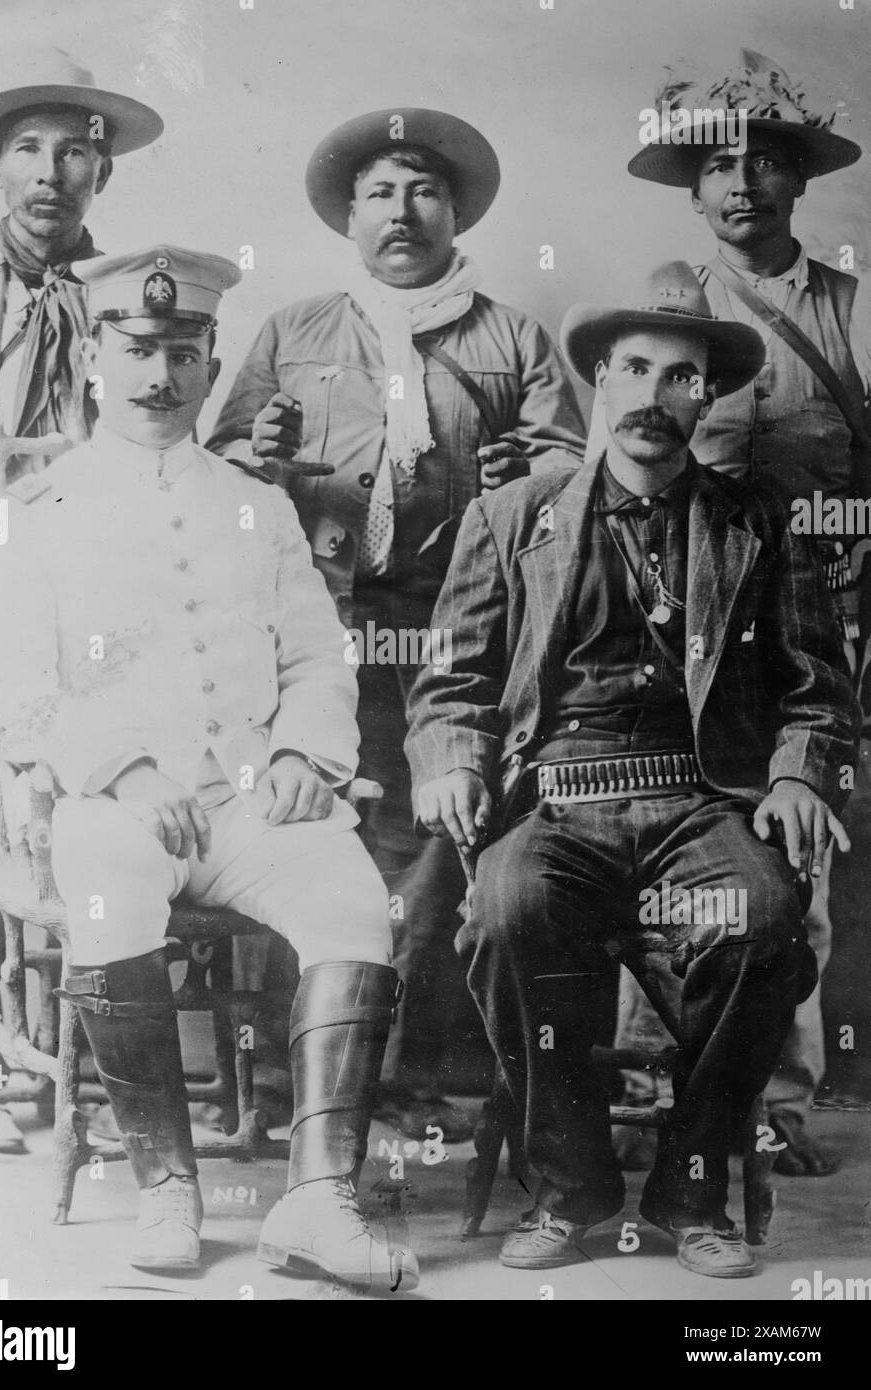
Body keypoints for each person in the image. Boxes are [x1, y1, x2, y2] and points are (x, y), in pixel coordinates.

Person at [0, 245, 419, 1294]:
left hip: (252, 793)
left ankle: (316, 1202)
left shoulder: (256, 503)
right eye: (136, 351)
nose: (159, 376)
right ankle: (166, 1180)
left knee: (355, 904)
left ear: (212, 364)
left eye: (181, 353)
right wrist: (117, 768)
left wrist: (306, 751)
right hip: (110, 804)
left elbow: (313, 653)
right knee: (112, 896)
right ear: (93, 362)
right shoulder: (37, 512)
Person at [405, 261, 860, 1277]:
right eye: (635, 370)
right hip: (554, 798)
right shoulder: (510, 518)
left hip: (701, 800)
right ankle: (571, 1189)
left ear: (709, 397)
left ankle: (688, 1186)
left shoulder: (756, 520)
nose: (655, 399)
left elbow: (815, 684)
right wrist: (447, 760)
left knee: (759, 918)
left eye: (682, 379)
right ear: (596, 381)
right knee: (506, 910)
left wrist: (795, 773)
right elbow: (448, 681)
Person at [206, 107, 586, 1133]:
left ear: (454, 208)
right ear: (348, 215)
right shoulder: (292, 331)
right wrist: (262, 452)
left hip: (453, 634)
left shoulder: (510, 336)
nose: (402, 210)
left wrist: (526, 476)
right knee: (307, 833)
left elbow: (575, 481)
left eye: (422, 189)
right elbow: (224, 477)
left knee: (431, 847)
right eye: (379, 191)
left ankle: (408, 1077)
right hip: (317, 632)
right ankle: (296, 1086)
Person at [626, 51, 871, 1174]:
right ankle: (647, 1071)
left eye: (764, 163)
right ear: (691, 188)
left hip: (823, 601)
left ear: (796, 185)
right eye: (718, 165)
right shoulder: (676, 304)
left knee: (794, 839)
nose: (741, 186)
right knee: (668, 828)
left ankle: (772, 1092)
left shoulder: (852, 307)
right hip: (691, 612)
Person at [0, 46, 163, 1153]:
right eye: (28, 149)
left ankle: (67, 1064)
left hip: (82, 599)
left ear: (100, 174)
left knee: (65, 818)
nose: (51, 173)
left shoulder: (128, 306)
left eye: (76, 151)